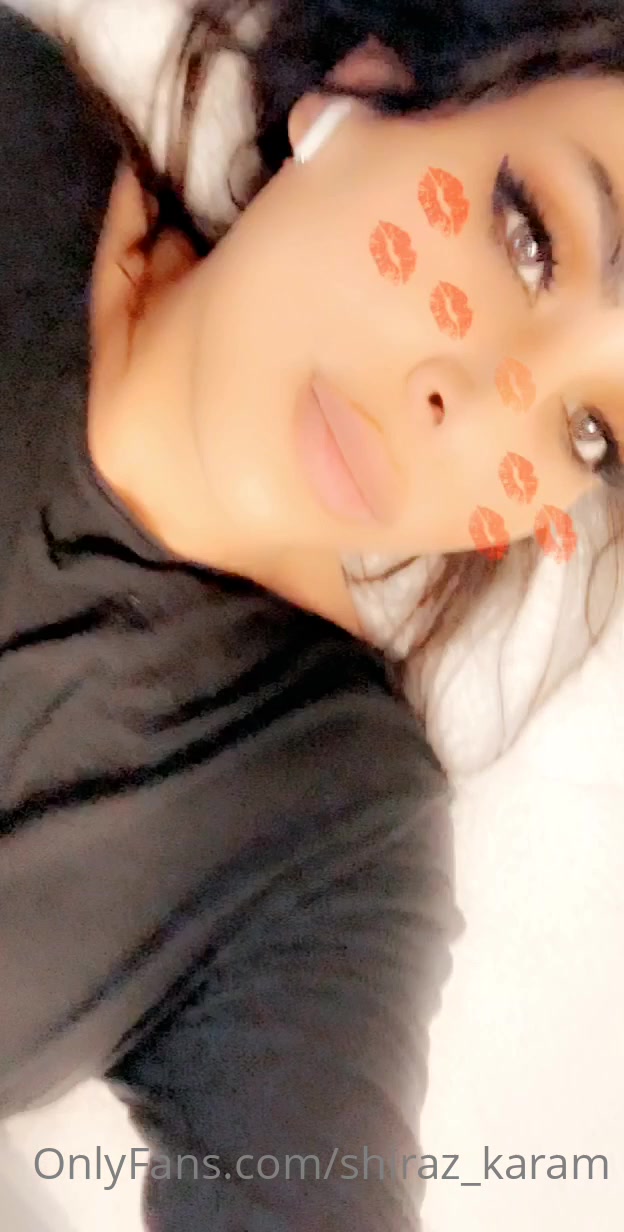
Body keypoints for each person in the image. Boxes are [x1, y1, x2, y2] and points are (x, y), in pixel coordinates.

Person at [1, 1, 624, 1228]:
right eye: (531, 237)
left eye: (591, 429)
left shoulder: (325, 831)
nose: (468, 405)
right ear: (367, 87)